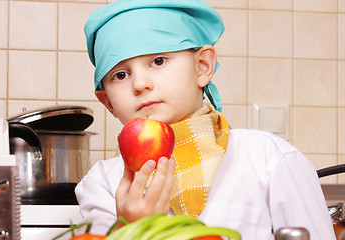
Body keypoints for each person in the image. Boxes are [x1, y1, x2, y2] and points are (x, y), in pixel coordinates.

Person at [75, 0, 336, 239]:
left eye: (158, 60)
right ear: (108, 102)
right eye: (120, 75)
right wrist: (129, 227)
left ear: (202, 67)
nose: (140, 84)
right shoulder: (103, 184)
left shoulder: (270, 159)